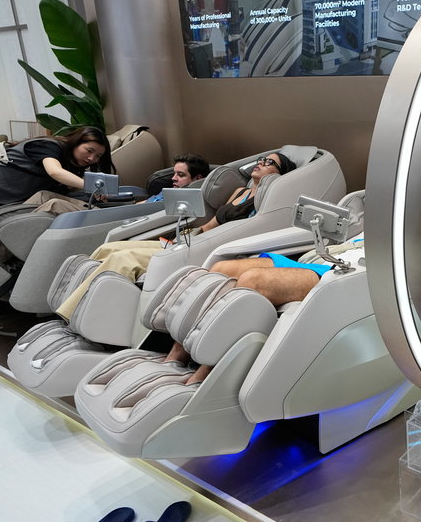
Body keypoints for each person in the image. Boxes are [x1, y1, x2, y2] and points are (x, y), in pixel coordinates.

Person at [53, 151, 295, 321]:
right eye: (262, 159)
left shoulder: (266, 202)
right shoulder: (241, 191)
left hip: (208, 247)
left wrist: (194, 243)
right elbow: (213, 223)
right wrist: (185, 235)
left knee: (122, 259)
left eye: (269, 162)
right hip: (195, 237)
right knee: (111, 248)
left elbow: (240, 231)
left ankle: (71, 314)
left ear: (280, 174)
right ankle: (74, 303)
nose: (261, 163)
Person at [0, 127, 114, 334]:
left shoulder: (74, 164)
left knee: (0, 248)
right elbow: (54, 172)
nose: (92, 158)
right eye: (89, 150)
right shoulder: (48, 146)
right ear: (75, 143)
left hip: (14, 200)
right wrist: (93, 186)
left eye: (98, 156)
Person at [164, 240, 365, 384]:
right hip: (324, 257)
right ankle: (177, 356)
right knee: (220, 269)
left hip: (350, 271)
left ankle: (208, 370)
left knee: (252, 281)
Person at [141, 153, 209, 203]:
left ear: (198, 178)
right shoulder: (170, 191)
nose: (173, 178)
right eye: (174, 174)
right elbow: (147, 203)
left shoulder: (203, 201)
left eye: (180, 175)